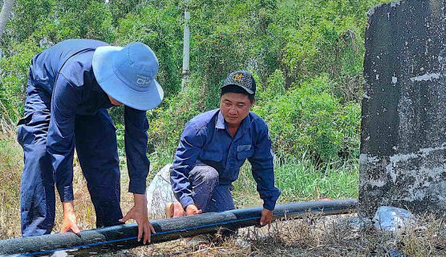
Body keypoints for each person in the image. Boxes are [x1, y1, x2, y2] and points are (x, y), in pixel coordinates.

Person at [17, 39, 164, 243]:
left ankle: (111, 229)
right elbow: (60, 143)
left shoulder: (136, 81)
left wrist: (141, 204)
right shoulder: (74, 75)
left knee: (103, 150)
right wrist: (68, 209)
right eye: (122, 90)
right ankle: (34, 241)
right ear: (112, 76)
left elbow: (137, 142)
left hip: (90, 99)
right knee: (40, 151)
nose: (124, 98)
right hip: (47, 88)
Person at [171, 70, 280, 227]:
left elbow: (263, 167)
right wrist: (188, 202)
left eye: (240, 105)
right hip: (194, 182)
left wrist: (269, 204)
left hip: (221, 185)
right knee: (209, 175)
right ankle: (187, 220)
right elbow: (179, 169)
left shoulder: (258, 129)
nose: (232, 111)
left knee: (228, 229)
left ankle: (178, 211)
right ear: (220, 100)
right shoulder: (199, 127)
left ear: (252, 103)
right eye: (227, 103)